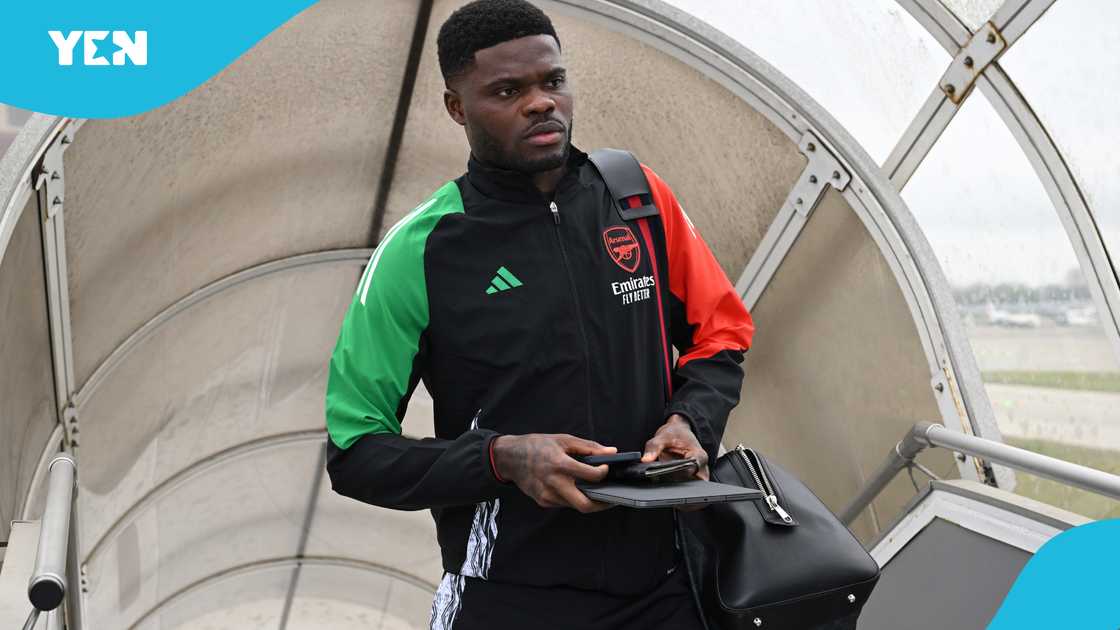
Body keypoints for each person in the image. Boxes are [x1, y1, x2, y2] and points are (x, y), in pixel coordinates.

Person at [323, 0, 754, 627]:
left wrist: (692, 421)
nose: (540, 103)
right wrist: (500, 458)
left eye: (552, 81)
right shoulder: (424, 247)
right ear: (457, 107)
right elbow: (355, 450)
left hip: (663, 586)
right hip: (508, 594)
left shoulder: (635, 198)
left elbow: (722, 332)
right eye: (507, 90)